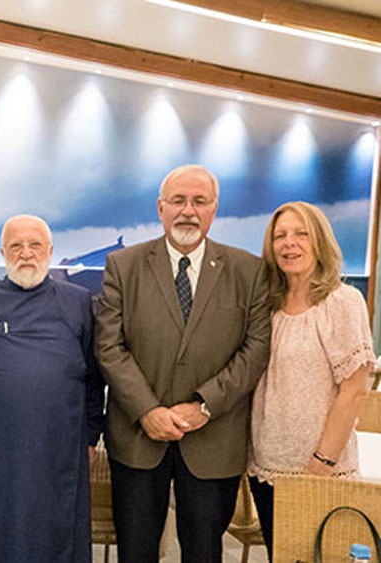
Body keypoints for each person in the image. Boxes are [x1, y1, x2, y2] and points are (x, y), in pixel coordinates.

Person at [96, 164, 271, 563]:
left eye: (199, 201)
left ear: (214, 210)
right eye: (178, 201)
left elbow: (256, 348)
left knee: (204, 553)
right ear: (161, 208)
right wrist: (147, 410)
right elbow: (109, 346)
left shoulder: (248, 271)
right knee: (135, 552)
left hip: (214, 439)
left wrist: (204, 405)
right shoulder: (123, 266)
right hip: (138, 439)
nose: (188, 210)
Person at [0, 214, 104, 562]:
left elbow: (93, 375)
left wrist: (91, 436)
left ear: (50, 250)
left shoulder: (78, 301)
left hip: (58, 448)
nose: (26, 253)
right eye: (16, 246)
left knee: (53, 535)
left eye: (35, 245)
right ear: (2, 253)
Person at [247, 201, 373, 556]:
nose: (290, 243)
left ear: (320, 241)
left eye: (302, 234)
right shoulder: (266, 305)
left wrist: (322, 462)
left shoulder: (342, 302)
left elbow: (353, 391)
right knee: (280, 556)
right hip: (266, 467)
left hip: (319, 470)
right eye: (280, 236)